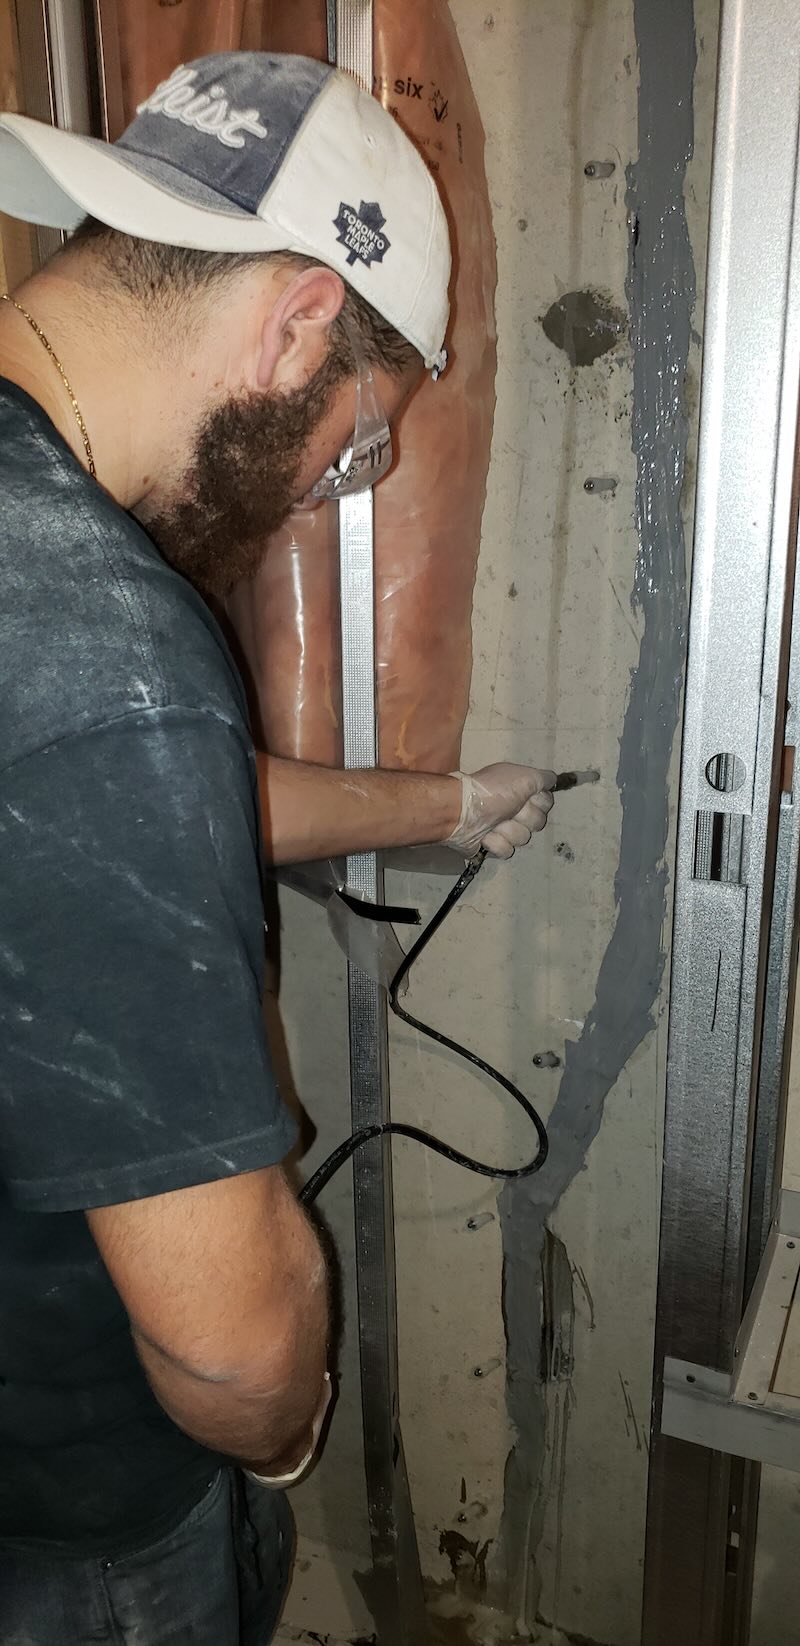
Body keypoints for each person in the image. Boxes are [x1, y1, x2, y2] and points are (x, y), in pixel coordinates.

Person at [0, 51, 555, 1646]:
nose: (325, 488)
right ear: (303, 315)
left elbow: (107, 807)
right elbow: (235, 1352)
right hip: (74, 1514)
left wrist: (450, 803)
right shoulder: (101, 643)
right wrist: (290, 1413)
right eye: (359, 440)